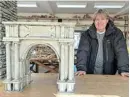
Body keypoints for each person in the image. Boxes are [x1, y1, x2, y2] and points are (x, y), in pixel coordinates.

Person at [75, 9, 129, 77]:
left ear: (107, 20)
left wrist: (124, 70)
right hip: (90, 73)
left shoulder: (116, 34)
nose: (99, 22)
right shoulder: (86, 35)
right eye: (97, 19)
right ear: (94, 21)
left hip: (109, 74)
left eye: (102, 19)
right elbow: (83, 51)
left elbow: (121, 51)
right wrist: (81, 68)